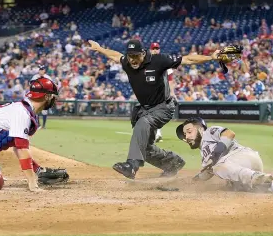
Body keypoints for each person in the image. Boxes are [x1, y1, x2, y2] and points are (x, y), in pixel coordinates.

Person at [88, 39, 222, 179]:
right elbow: (115, 55)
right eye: (130, 56)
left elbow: (188, 59)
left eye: (136, 56)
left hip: (163, 107)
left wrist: (210, 57)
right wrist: (100, 48)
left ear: (143, 53)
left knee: (143, 123)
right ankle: (172, 163)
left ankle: (132, 165)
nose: (133, 60)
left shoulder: (158, 60)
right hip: (145, 108)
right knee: (144, 147)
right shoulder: (127, 62)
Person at [176, 117, 273, 194]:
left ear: (201, 129)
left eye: (189, 132)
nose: (186, 137)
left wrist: (214, 157)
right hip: (242, 168)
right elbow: (207, 173)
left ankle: (255, 176)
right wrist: (190, 181)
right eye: (184, 135)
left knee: (218, 167)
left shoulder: (209, 132)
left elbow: (230, 134)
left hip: (245, 156)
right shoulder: (204, 154)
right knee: (237, 185)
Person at [149, 42, 176, 143]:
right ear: (150, 50)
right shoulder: (146, 62)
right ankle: (156, 133)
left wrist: (172, 92)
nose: (155, 50)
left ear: (159, 50)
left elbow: (170, 79)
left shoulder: (165, 62)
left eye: (157, 48)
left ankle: (157, 133)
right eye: (153, 48)